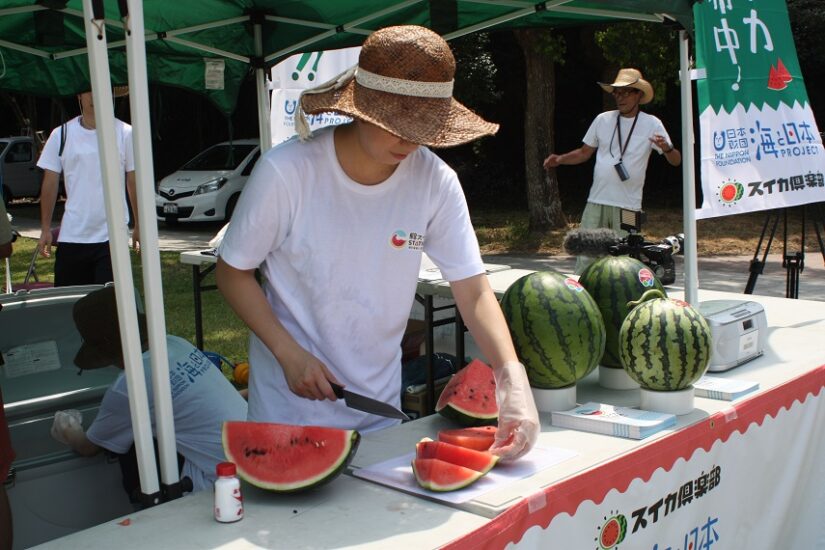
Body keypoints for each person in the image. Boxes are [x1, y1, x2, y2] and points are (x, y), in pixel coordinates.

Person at [216, 25, 539, 461]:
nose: (410, 140)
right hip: (288, 415)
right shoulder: (286, 173)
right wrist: (287, 353)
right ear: (360, 107)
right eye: (396, 124)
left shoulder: (436, 182)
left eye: (423, 127)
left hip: (380, 416)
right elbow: (233, 272)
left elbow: (473, 288)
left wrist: (510, 374)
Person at [50, 286, 248, 493]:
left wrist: (68, 428)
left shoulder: (130, 384)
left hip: (221, 480)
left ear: (105, 352)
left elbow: (88, 447)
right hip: (249, 451)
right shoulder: (176, 343)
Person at [543, 68, 682, 274]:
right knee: (586, 257)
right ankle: (584, 294)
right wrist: (560, 159)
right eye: (617, 92)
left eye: (626, 92)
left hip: (629, 205)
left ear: (638, 95)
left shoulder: (652, 124)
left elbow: (676, 161)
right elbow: (584, 152)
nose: (620, 97)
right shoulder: (603, 119)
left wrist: (666, 148)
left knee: (625, 259)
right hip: (597, 201)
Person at [36, 87, 139, 286]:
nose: (95, 95)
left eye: (100, 90)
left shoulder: (125, 133)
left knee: (108, 306)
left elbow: (133, 181)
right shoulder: (61, 134)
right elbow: (49, 183)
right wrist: (45, 229)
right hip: (72, 235)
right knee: (69, 306)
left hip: (112, 237)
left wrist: (139, 225)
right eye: (88, 90)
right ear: (79, 96)